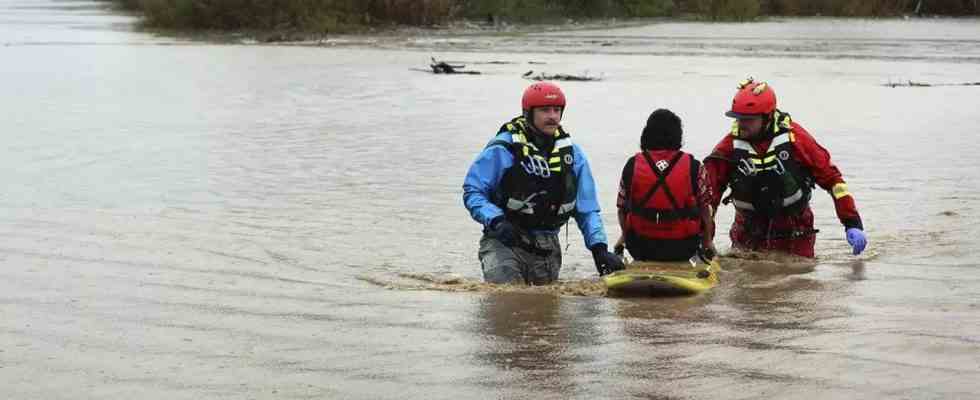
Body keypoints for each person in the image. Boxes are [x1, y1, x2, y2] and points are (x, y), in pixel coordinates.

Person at [463, 82, 624, 285]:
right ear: (528, 113)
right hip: (503, 242)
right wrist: (496, 220)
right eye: (545, 110)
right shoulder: (503, 149)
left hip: (547, 247)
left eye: (557, 110)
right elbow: (473, 191)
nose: (552, 116)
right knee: (508, 300)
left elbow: (587, 209)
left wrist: (599, 249)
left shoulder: (574, 155)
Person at [704, 78, 868, 258]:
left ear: (767, 116)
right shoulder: (727, 149)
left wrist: (852, 223)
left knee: (797, 277)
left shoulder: (796, 140)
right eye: (739, 118)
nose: (742, 123)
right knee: (746, 277)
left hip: (795, 231)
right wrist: (705, 241)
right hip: (748, 231)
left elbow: (834, 182)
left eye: (749, 119)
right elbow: (707, 199)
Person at [615, 109, 717, 262]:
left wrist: (624, 236)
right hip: (683, 248)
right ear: (678, 136)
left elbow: (621, 209)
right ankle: (704, 251)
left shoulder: (631, 165)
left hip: (639, 247)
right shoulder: (695, 167)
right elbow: (705, 211)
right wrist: (708, 242)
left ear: (646, 134)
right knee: (706, 206)